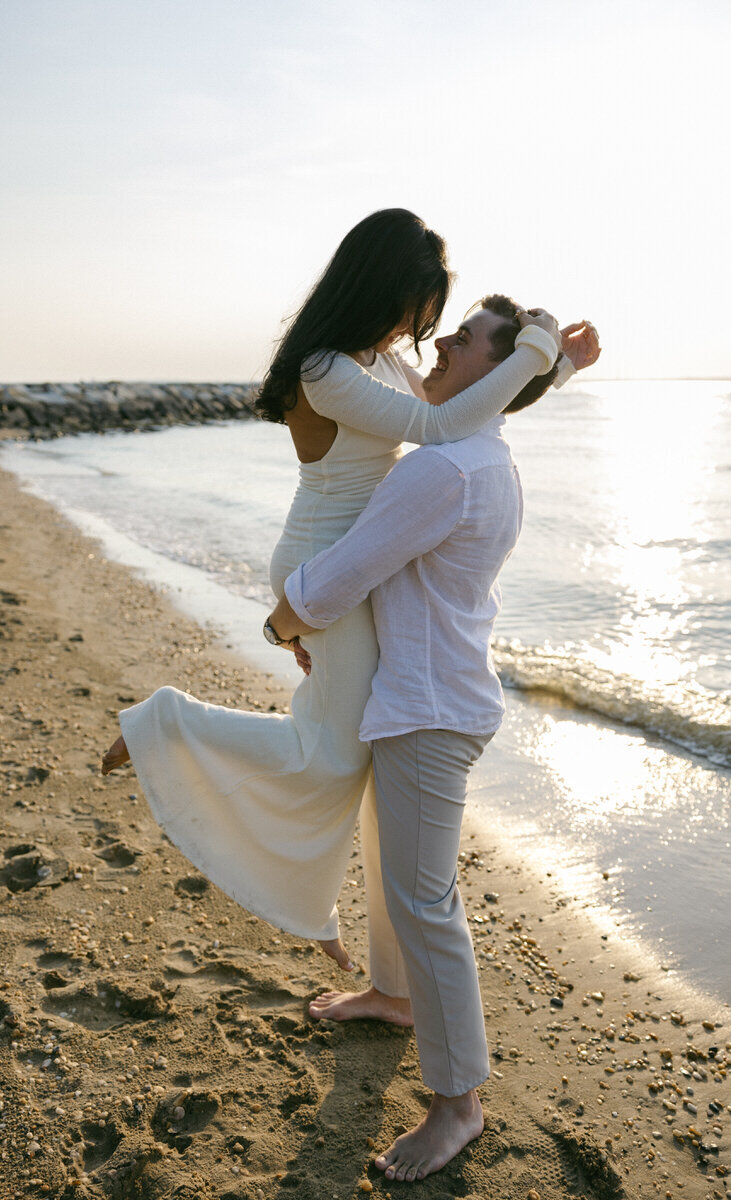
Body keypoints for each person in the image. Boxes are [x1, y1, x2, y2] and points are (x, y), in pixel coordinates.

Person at [101, 209, 564, 974]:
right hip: (325, 566)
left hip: (357, 568)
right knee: (332, 758)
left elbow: (477, 404)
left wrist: (556, 365)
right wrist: (537, 350)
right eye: (425, 303)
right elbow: (442, 428)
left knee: (342, 752)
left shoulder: (378, 361)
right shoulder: (325, 368)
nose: (428, 325)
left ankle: (321, 912)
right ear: (388, 285)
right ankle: (167, 724)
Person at [265, 294, 601, 1182]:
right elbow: (468, 403)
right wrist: (553, 367)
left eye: (463, 339)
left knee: (425, 902)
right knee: (390, 864)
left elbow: (343, 574)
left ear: (493, 373)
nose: (439, 343)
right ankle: (390, 993)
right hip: (423, 696)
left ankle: (459, 1104)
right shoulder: (478, 452)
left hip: (428, 709)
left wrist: (285, 619)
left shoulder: (443, 471)